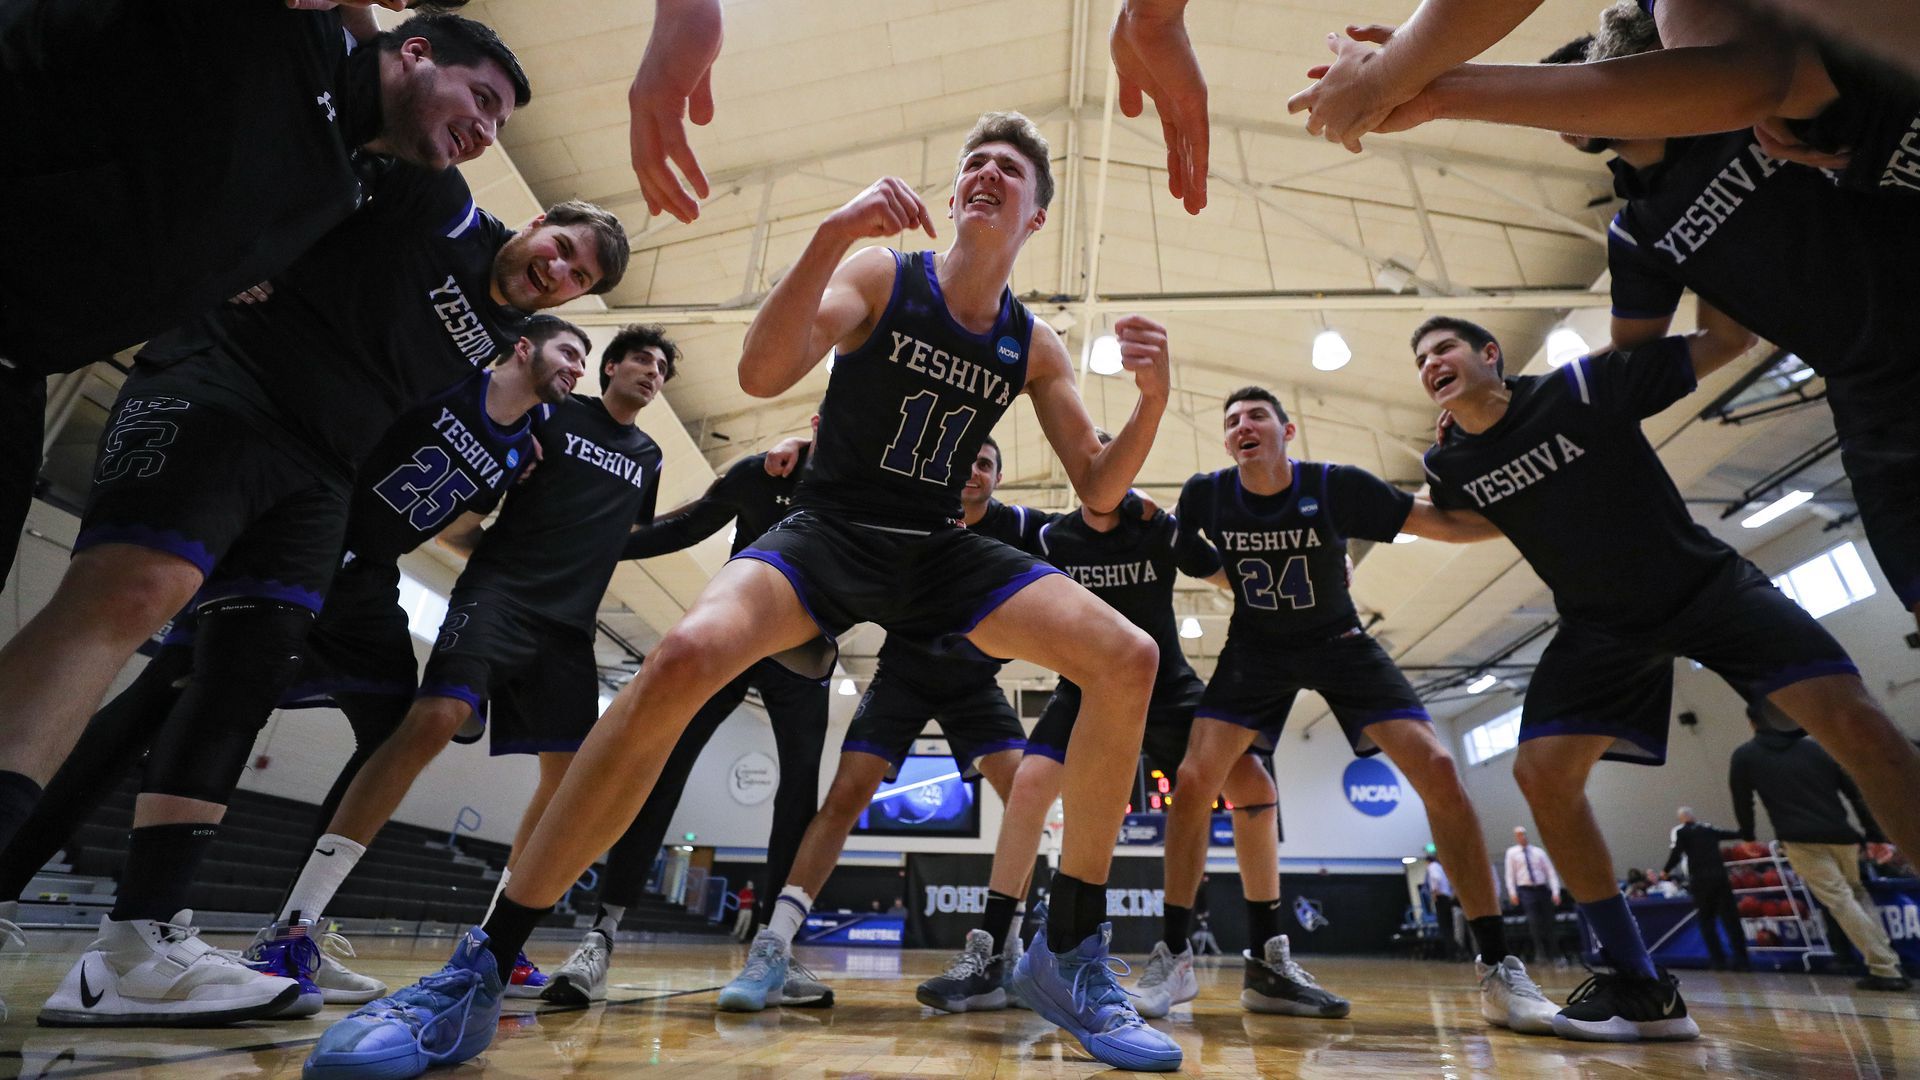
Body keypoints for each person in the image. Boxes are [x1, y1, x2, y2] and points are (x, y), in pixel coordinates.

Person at [310, 110, 1186, 1076]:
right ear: (950, 197)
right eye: (973, 162)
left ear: (1034, 218)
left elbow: (1100, 489)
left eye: (1010, 170)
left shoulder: (1035, 343)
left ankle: (1067, 957)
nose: (986, 173)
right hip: (830, 527)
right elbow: (762, 370)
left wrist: (1148, 405)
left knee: (1128, 657)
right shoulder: (883, 276)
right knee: (681, 656)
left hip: (936, 548)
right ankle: (485, 963)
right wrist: (830, 234)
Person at [0, 156, 624, 1023]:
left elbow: (452, 523)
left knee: (393, 724)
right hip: (295, 518)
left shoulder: (521, 444)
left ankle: (294, 927)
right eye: (568, 344)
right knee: (151, 707)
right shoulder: (457, 359)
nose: (574, 357)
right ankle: (27, 882)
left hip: (358, 570)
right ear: (527, 340)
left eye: (581, 289)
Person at [1414, 313, 1920, 1040]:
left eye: (1444, 348)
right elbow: (1466, 520)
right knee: (1542, 775)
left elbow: (1728, 342)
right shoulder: (1447, 463)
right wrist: (1369, 515)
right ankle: (1637, 984)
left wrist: (1705, 252)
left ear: (1490, 355)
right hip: (1602, 627)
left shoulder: (1582, 386)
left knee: (1859, 724)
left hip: (1705, 588)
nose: (1431, 362)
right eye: (1421, 359)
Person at [1333, 6, 1920, 631]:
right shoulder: (1639, 232)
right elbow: (1632, 363)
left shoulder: (1748, 115)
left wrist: (1415, 80)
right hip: (1872, 403)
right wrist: (1521, 408)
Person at [0, 7, 528, 587]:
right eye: (481, 99)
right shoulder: (293, 38)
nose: (487, 131)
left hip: (26, 364)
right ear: (417, 52)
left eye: (499, 124)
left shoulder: (361, 178)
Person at [271, 324, 670, 1008]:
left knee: (569, 780)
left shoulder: (650, 455)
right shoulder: (552, 410)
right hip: (500, 596)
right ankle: (294, 927)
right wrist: (497, 558)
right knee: (432, 720)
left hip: (570, 629)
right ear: (610, 367)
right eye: (640, 358)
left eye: (662, 366)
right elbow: (464, 518)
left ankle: (496, 944)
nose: (652, 371)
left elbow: (626, 536)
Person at [1155, 386, 1555, 1032]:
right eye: (1231, 421)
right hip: (1256, 648)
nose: (1242, 426)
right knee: (1195, 781)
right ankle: (1174, 955)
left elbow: (1443, 524)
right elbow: (1186, 552)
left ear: (1287, 430)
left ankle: (1498, 967)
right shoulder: (1206, 493)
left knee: (1439, 769)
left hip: (1341, 643)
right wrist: (1228, 577)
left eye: (1256, 415)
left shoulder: (1337, 486)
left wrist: (1526, 505)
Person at [739, 436, 1042, 1014]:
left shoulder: (1023, 525)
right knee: (844, 799)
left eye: (985, 463)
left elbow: (1094, 523)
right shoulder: (913, 509)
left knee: (1028, 794)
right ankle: (773, 944)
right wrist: (803, 441)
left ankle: (1004, 950)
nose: (973, 471)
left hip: (975, 684)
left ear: (999, 478)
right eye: (965, 460)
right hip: (901, 674)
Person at [540, 435, 825, 1008]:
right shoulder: (759, 472)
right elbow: (681, 528)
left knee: (799, 793)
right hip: (737, 629)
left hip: (805, 644)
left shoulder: (856, 484)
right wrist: (596, 540)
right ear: (821, 420)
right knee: (660, 771)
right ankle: (602, 934)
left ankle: (775, 947)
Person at [1731, 715, 1910, 991]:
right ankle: (1887, 964)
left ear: (1753, 723)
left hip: (1800, 840)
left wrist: (1748, 837)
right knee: (1856, 894)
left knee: (1840, 900)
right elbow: (1856, 792)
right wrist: (1874, 835)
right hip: (1843, 837)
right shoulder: (1820, 746)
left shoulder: (1745, 756)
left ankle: (1886, 968)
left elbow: (1742, 800)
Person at [1663, 807, 1747, 970]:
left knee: (1706, 921)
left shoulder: (1682, 833)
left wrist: (1665, 870)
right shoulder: (1708, 829)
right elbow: (1732, 834)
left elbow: (1677, 853)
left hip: (1700, 881)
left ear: (1681, 819)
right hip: (1720, 878)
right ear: (1693, 816)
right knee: (1731, 919)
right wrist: (1745, 832)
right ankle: (1742, 960)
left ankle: (1718, 961)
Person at [1504, 827, 1562, 968]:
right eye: (1518, 835)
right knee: (1534, 923)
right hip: (1526, 891)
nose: (1521, 837)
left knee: (1550, 922)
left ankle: (1556, 954)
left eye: (1523, 834)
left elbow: (1550, 872)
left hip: (1542, 889)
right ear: (1515, 837)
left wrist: (1555, 891)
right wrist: (1512, 893)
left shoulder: (1538, 852)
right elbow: (1510, 875)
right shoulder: (1512, 853)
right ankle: (1540, 954)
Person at [1426, 853, 1460, 960]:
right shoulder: (1441, 867)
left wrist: (1435, 892)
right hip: (1447, 897)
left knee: (1445, 927)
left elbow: (1436, 878)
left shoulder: (1432, 867)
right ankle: (1456, 951)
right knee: (1449, 926)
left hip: (1441, 898)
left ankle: (1452, 953)